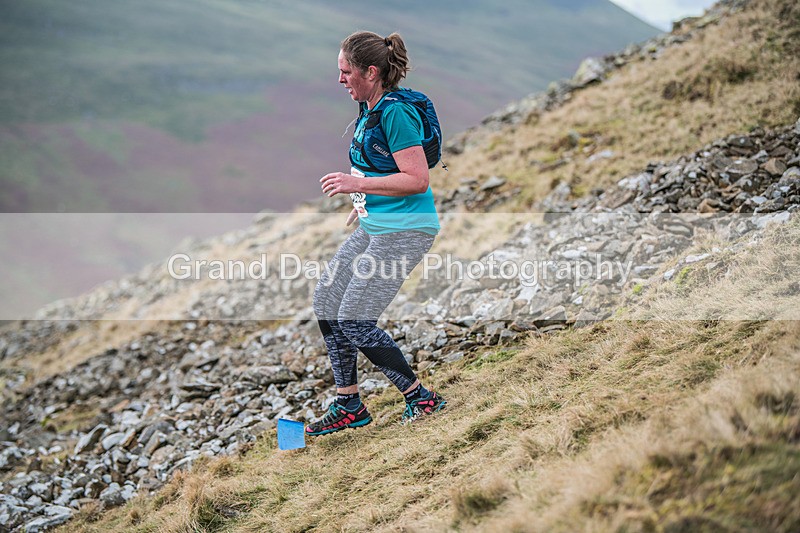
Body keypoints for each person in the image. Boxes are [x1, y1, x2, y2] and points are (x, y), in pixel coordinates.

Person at [307, 31, 447, 436]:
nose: (340, 80)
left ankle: (422, 398)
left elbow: (417, 179)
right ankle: (349, 403)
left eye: (345, 71)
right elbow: (380, 168)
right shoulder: (371, 108)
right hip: (377, 225)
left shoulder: (394, 113)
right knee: (327, 300)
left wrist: (358, 187)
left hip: (406, 231)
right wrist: (364, 204)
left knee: (354, 317)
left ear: (371, 71)